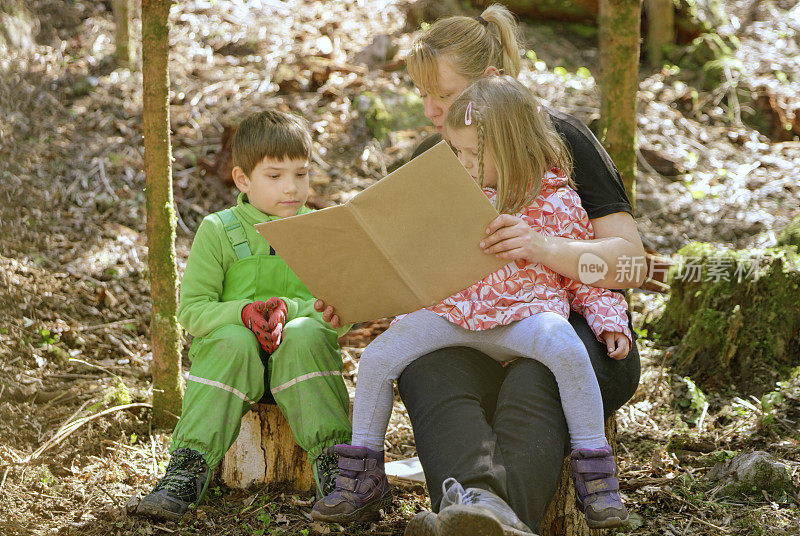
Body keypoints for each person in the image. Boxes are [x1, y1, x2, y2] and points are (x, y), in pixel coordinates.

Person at [317, 5, 645, 536]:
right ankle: (474, 509)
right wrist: (354, 297)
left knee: (536, 378)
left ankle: (486, 513)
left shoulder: (562, 143)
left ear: (489, 84)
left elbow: (628, 265)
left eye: (443, 97)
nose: (429, 111)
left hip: (563, 323)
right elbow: (409, 263)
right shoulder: (442, 152)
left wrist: (543, 247)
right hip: (465, 321)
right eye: (422, 95)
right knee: (426, 368)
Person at [135, 110, 352, 521]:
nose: (291, 187)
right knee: (232, 340)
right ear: (242, 180)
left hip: (302, 368)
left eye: (301, 174)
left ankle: (335, 466)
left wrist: (297, 310)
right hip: (231, 372)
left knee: (306, 333)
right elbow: (193, 313)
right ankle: (188, 466)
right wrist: (244, 312)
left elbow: (342, 311)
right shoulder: (218, 230)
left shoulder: (319, 229)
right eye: (274, 176)